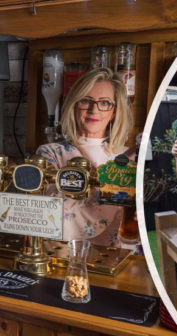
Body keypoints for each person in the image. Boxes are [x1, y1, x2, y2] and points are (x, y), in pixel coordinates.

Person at [37, 67, 133, 247]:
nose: (93, 110)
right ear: (74, 105)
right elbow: (50, 211)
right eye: (85, 101)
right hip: (58, 255)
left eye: (104, 103)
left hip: (114, 257)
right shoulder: (50, 153)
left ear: (114, 112)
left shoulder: (128, 157)